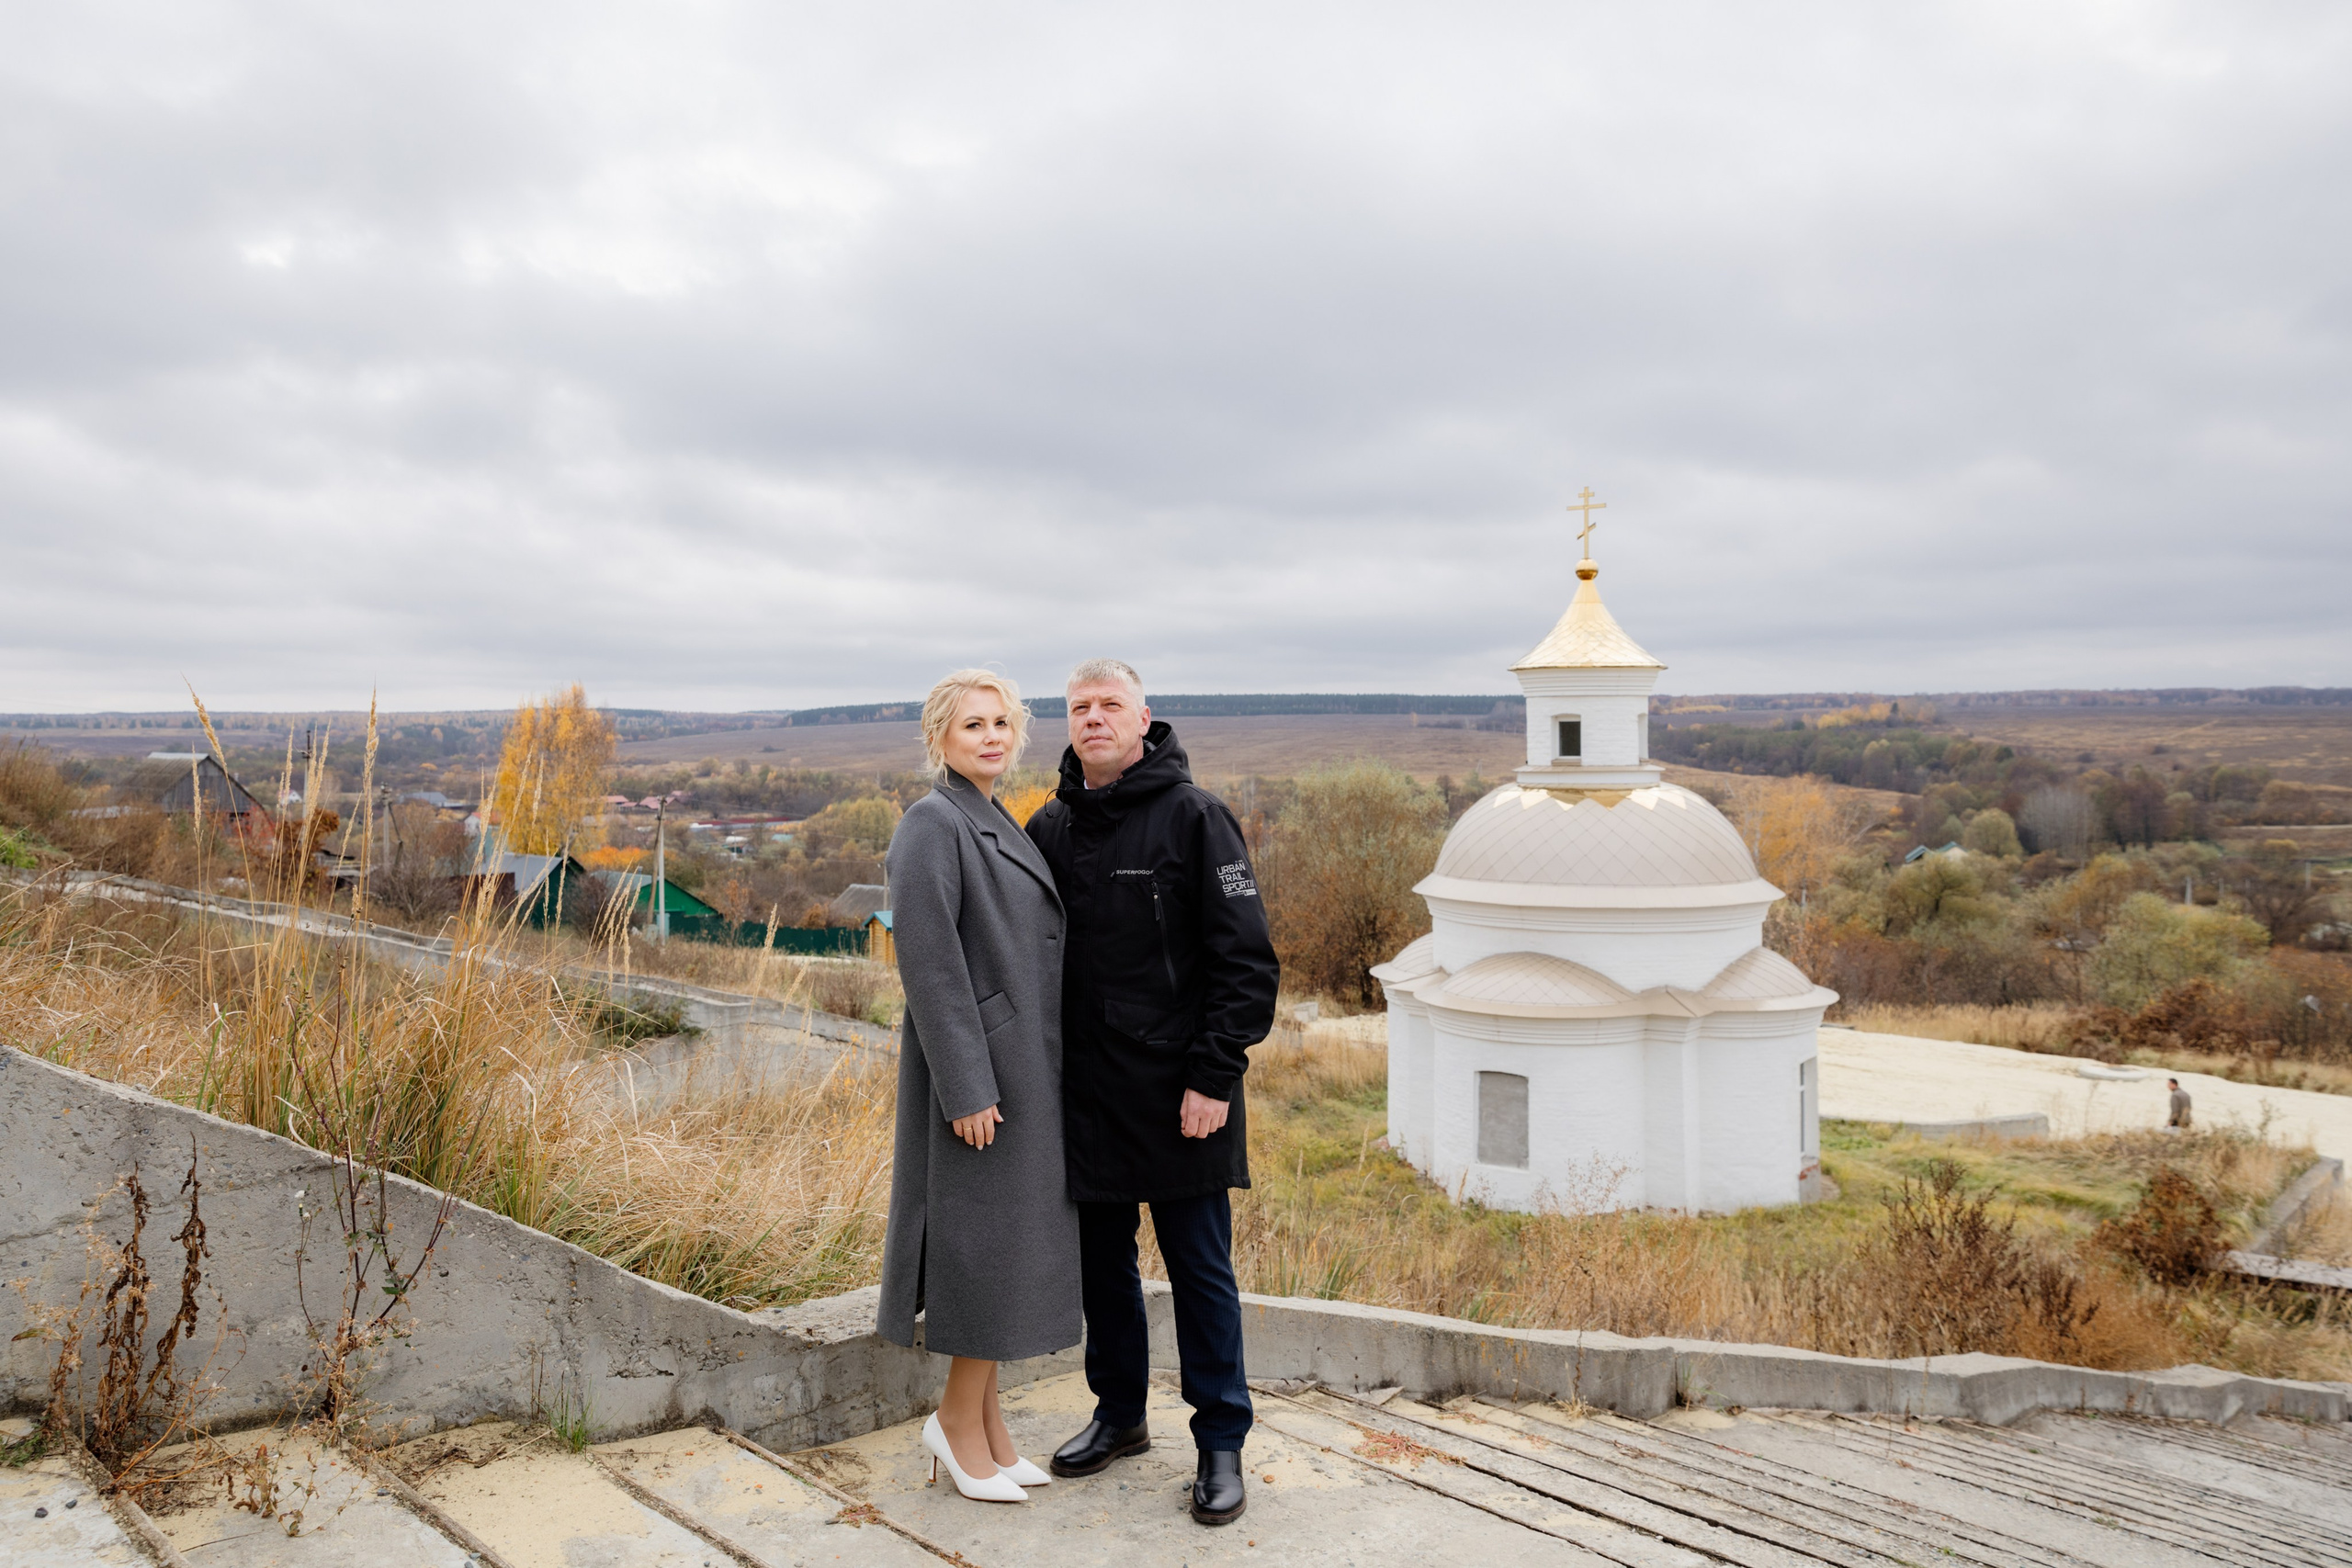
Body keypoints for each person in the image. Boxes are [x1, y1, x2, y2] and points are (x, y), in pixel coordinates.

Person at [1025, 658, 1280, 1527]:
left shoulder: (1197, 818)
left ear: (1144, 718)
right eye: (1078, 707)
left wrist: (1214, 1076)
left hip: (1183, 1095)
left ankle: (1220, 1444)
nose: (1093, 718)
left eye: (1110, 705)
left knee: (1201, 1270)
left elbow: (1247, 967)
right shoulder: (1050, 826)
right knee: (1105, 1269)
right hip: (1087, 1096)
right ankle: (1120, 1415)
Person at [875, 669, 1080, 1505]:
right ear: (940, 740)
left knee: (1004, 1245)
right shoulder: (932, 821)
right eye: (973, 725)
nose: (992, 737)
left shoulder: (992, 816)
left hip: (1024, 1069)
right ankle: (957, 1425)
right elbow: (928, 962)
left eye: (1002, 723)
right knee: (987, 1251)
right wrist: (965, 1086)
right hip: (981, 1077)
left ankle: (990, 1433)